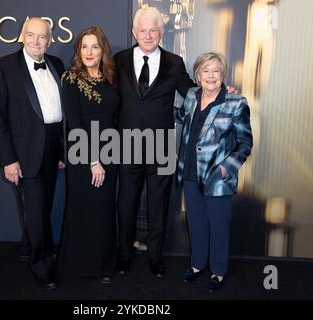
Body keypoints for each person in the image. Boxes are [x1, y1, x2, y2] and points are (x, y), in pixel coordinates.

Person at [114, 7, 195, 277]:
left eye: (153, 30)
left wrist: (219, 91)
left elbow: (192, 93)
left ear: (161, 33)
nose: (148, 35)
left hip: (161, 145)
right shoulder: (118, 60)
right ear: (133, 32)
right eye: (143, 30)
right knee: (126, 204)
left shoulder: (175, 62)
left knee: (158, 205)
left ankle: (155, 257)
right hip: (126, 145)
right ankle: (124, 256)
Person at [0, 17, 65, 290]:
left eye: (42, 36)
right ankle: (41, 265)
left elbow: (61, 111)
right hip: (24, 151)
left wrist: (61, 149)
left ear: (49, 39)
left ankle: (28, 247)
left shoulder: (56, 64)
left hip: (52, 145)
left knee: (42, 205)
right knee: (35, 208)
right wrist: (9, 159)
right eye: (31, 35)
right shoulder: (3, 67)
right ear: (22, 36)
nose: (36, 41)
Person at [175, 52, 253, 291]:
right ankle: (197, 264)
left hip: (217, 178)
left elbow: (245, 143)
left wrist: (224, 170)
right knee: (196, 222)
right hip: (189, 171)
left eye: (216, 71)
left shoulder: (236, 102)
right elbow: (179, 116)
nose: (211, 76)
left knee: (218, 225)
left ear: (223, 74)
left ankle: (218, 271)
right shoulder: (191, 95)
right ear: (198, 75)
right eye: (206, 71)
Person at [57, 27, 119, 284]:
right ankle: (80, 264)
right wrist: (93, 160)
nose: (89, 52)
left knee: (104, 209)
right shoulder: (70, 78)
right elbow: (74, 122)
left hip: (111, 151)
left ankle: (104, 264)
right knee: (84, 208)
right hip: (84, 152)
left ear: (103, 50)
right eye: (84, 46)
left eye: (94, 46)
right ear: (78, 50)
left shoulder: (111, 77)